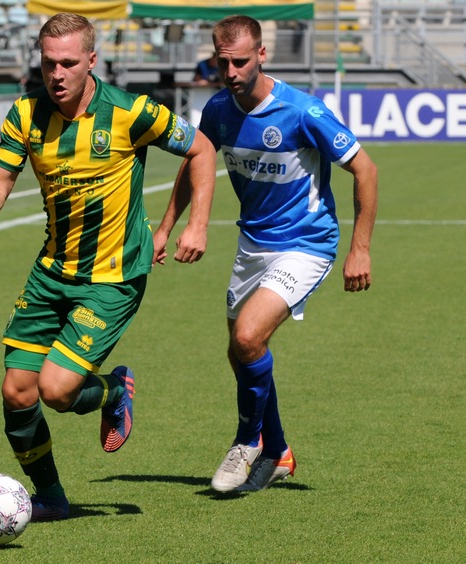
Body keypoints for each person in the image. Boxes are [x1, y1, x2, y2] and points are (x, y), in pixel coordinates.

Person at [0, 13, 216, 521]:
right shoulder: (24, 114)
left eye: (67, 63)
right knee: (17, 391)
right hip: (52, 271)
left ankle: (112, 388)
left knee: (56, 390)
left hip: (112, 279)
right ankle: (53, 499)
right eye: (47, 63)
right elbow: (0, 178)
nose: (56, 74)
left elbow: (201, 150)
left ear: (90, 61)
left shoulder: (131, 112)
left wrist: (195, 225)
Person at [154, 15, 378, 492]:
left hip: (306, 244)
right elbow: (196, 161)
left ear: (261, 56)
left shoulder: (303, 112)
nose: (231, 71)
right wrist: (166, 226)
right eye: (223, 62)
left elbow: (366, 171)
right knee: (240, 353)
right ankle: (278, 453)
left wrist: (359, 249)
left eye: (240, 61)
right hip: (252, 244)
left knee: (250, 339)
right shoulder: (217, 109)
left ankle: (246, 442)